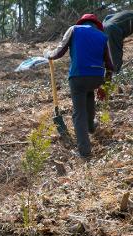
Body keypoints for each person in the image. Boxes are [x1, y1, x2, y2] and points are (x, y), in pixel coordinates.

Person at [44, 14, 114, 159]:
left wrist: (47, 54)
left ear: (82, 22)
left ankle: (85, 151)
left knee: (79, 113)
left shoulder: (74, 29)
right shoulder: (102, 36)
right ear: (96, 25)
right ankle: (90, 127)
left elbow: (58, 52)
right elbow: (110, 66)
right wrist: (105, 88)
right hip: (97, 78)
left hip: (78, 77)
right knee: (89, 94)